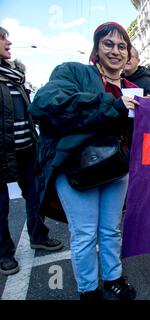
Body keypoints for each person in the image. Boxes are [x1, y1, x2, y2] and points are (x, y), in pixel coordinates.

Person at [28, 22, 138, 300]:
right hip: (78, 168)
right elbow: (46, 103)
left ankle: (113, 277)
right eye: (108, 44)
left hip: (117, 170)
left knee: (111, 229)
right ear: (96, 48)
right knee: (85, 234)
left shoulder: (133, 88)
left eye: (122, 46)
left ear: (128, 53)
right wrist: (110, 105)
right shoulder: (73, 72)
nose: (115, 51)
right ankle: (88, 290)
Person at [0, 26, 63, 276]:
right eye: (3, 38)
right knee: (1, 206)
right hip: (2, 152)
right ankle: (4, 254)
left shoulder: (14, 76)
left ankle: (39, 235)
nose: (9, 41)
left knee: (36, 196)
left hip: (26, 149)